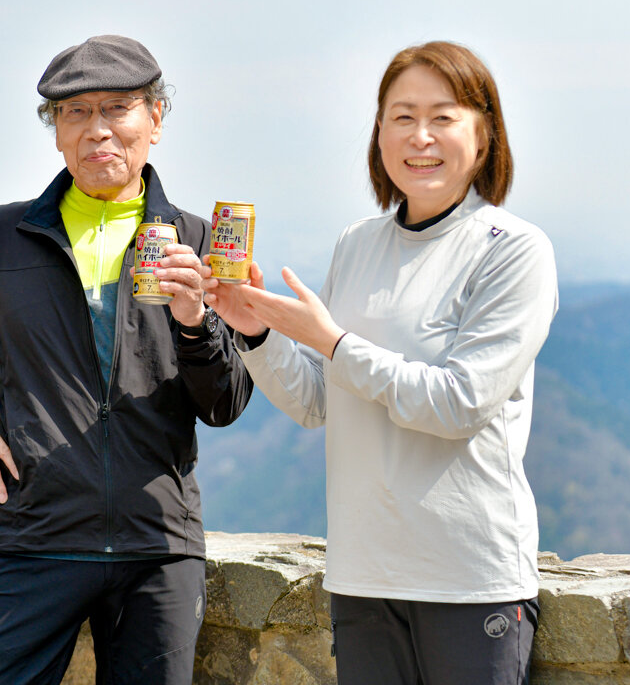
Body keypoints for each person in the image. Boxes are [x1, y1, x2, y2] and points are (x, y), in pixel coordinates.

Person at [0, 34, 253, 685]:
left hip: (157, 547)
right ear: (56, 130)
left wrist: (195, 322)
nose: (97, 130)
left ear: (155, 119)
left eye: (117, 107)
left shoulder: (200, 244)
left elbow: (225, 403)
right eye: (75, 112)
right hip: (33, 535)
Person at [202, 41, 558, 685]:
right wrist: (256, 333)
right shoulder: (357, 243)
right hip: (362, 576)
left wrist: (334, 342)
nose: (420, 137)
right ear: (379, 133)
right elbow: (319, 400)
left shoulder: (513, 250)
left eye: (443, 117)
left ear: (484, 136)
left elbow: (458, 405)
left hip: (469, 578)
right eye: (402, 117)